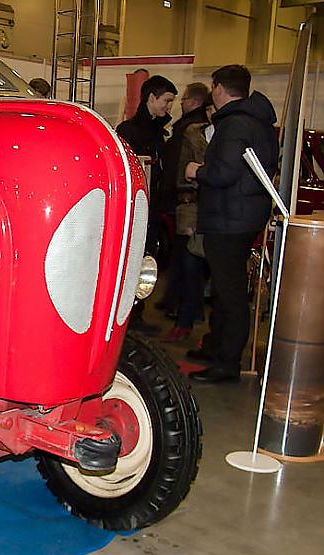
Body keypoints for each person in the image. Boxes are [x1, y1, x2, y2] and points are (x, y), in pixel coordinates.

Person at [185, 65, 278, 383]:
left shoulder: (234, 125)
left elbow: (224, 173)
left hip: (229, 217)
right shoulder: (259, 123)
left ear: (219, 87)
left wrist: (196, 170)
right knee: (228, 289)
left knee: (230, 293)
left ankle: (226, 363)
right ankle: (216, 347)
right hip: (244, 215)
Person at [116, 74, 178, 333]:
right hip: (137, 211)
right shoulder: (129, 131)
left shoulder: (157, 132)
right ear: (151, 98)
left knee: (147, 260)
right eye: (166, 100)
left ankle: (137, 314)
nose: (169, 107)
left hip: (152, 210)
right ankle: (128, 317)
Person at [157, 83, 212, 330]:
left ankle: (185, 315)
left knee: (189, 259)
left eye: (179, 99)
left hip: (190, 203)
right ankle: (184, 310)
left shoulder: (192, 131)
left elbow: (179, 169)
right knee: (188, 260)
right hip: (195, 203)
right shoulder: (197, 129)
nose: (176, 104)